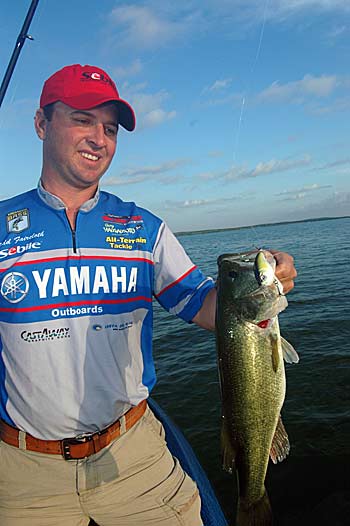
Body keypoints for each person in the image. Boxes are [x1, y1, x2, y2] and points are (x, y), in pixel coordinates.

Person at [0, 64, 297, 526]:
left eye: (110, 128)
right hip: (21, 472)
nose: (99, 138)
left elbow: (205, 305)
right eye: (82, 119)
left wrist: (263, 285)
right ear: (41, 123)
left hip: (134, 456)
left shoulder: (144, 229)